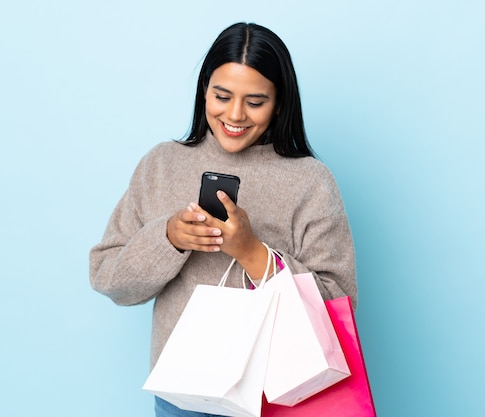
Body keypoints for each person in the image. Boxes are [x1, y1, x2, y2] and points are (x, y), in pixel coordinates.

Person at [89, 22, 357, 417]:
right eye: (222, 95)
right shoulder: (162, 165)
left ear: (279, 102)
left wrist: (254, 254)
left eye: (255, 101)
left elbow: (340, 302)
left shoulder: (310, 181)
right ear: (204, 91)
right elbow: (108, 278)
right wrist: (168, 238)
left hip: (279, 396)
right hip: (183, 396)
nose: (234, 114)